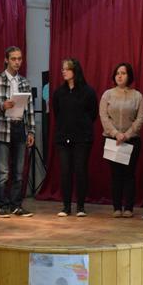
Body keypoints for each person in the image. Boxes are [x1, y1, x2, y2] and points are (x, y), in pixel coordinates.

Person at [0, 46, 35, 218]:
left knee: (18, 171)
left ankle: (16, 205)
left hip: (19, 127)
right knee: (3, 171)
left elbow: (30, 108)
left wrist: (31, 131)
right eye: (13, 59)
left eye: (19, 59)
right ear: (6, 60)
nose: (17, 62)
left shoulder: (24, 82)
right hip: (2, 129)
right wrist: (2, 106)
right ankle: (3, 206)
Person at [52, 58, 98, 217]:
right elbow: (57, 113)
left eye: (67, 69)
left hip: (82, 138)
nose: (63, 71)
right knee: (65, 171)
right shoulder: (59, 92)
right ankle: (66, 206)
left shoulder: (88, 91)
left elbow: (93, 113)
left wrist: (81, 126)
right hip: (63, 138)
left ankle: (80, 206)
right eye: (62, 69)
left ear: (75, 71)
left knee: (80, 170)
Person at [100, 62, 143, 218]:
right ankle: (117, 207)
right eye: (117, 73)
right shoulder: (107, 94)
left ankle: (129, 208)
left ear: (129, 76)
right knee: (116, 175)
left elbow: (140, 118)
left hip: (131, 140)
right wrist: (115, 133)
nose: (120, 76)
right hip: (112, 140)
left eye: (123, 73)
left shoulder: (137, 96)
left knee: (129, 175)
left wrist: (127, 134)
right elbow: (104, 116)